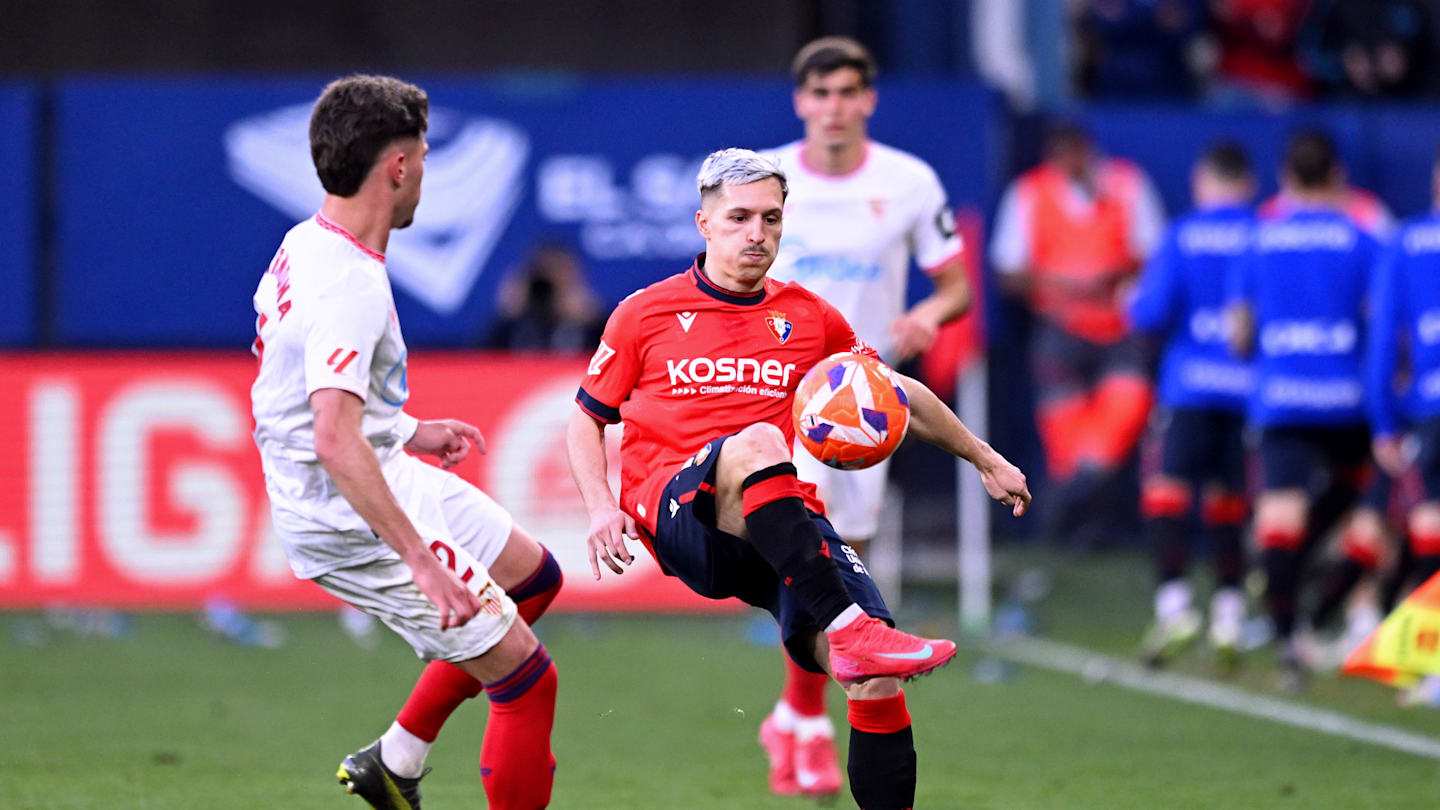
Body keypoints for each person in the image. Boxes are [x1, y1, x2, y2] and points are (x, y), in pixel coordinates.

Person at [565, 149, 1030, 810]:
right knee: (758, 442)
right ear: (704, 223)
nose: (757, 233)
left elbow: (892, 392)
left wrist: (985, 458)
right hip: (677, 510)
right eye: (739, 218)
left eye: (771, 219)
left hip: (777, 518)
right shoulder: (645, 313)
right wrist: (598, 507)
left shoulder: (810, 317)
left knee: (873, 682)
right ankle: (849, 625)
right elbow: (585, 419)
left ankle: (852, 642)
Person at [249, 75, 561, 810]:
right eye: (423, 157)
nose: (425, 173)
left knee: (533, 580)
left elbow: (298, 387)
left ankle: (394, 760)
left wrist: (408, 429)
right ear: (397, 167)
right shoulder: (348, 286)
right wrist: (421, 562)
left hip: (379, 469)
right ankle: (398, 761)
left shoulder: (308, 239)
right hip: (349, 517)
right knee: (526, 679)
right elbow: (333, 438)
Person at [757, 36, 971, 797]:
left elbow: (956, 286)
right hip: (782, 392)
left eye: (848, 92)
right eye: (821, 94)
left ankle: (794, 714)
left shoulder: (909, 182)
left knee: (845, 552)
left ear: (869, 99)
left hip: (863, 400)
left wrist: (926, 316)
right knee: (814, 550)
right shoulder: (767, 179)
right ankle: (810, 725)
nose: (834, 108)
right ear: (800, 102)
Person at [1228, 130, 1381, 691]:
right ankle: (1323, 612)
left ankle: (1288, 644)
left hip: (1282, 399)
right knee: (1366, 508)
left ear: (1284, 177)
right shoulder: (1363, 239)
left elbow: (1239, 332)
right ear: (1337, 175)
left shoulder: (1259, 239)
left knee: (1279, 521)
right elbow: (1380, 320)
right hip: (1347, 401)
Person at [991, 122, 1166, 547]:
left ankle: (1071, 502)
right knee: (1064, 437)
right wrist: (1056, 283)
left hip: (1120, 328)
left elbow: (1158, 255)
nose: (1070, 163)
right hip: (1058, 329)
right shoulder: (1029, 193)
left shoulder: (1128, 185)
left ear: (1089, 151)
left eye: (1077, 153)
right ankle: (1069, 530)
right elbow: (1007, 270)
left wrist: (1111, 275)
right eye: (1061, 155)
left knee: (1126, 412)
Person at [1127, 143, 1255, 671]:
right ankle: (1230, 615)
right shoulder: (1262, 232)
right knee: (1231, 498)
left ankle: (1175, 605)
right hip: (1249, 391)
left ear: (1203, 181)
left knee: (1168, 491)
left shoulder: (1182, 235)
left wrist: (1129, 299)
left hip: (1189, 388)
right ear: (1248, 184)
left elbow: (1148, 313)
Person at [1368, 143, 1440, 609]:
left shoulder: (1405, 243)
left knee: (1429, 520)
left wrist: (1384, 423)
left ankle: (1428, 645)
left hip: (1431, 406)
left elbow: (1383, 343)